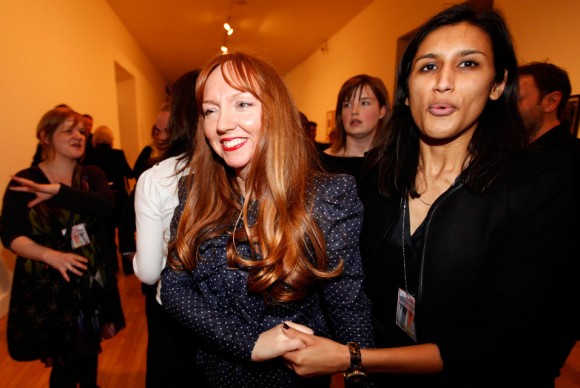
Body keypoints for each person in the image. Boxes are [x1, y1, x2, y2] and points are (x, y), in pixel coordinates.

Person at [280, 4, 578, 387]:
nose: (443, 82)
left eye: (468, 64)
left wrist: (353, 358)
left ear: (498, 84)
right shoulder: (374, 177)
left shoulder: (534, 183)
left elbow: (500, 341)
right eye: (428, 66)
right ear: (406, 91)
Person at [160, 52, 374, 387]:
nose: (222, 124)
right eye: (210, 110)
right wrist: (250, 344)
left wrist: (361, 375)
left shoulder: (326, 195)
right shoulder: (196, 191)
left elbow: (348, 307)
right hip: (210, 376)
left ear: (274, 110)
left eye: (242, 104)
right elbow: (173, 288)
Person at [1, 106, 125, 387]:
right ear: (45, 136)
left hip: (91, 280)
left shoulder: (91, 174)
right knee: (64, 364)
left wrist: (58, 192)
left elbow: (106, 205)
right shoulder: (26, 180)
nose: (78, 135)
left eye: (81, 130)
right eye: (68, 130)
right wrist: (50, 255)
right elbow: (10, 235)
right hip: (50, 284)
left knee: (90, 352)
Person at [133, 70, 202, 387]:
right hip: (235, 316)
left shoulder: (157, 177)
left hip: (175, 312)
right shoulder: (242, 168)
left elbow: (148, 272)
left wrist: (140, 248)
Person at [320, 74, 390, 187]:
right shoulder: (320, 163)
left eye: (364, 103)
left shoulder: (393, 165)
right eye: (347, 104)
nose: (354, 111)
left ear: (382, 111)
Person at [84, 125, 134, 272]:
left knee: (107, 235)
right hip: (120, 198)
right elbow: (130, 173)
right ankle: (128, 267)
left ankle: (112, 267)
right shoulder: (118, 154)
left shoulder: (89, 157)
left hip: (102, 201)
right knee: (125, 231)